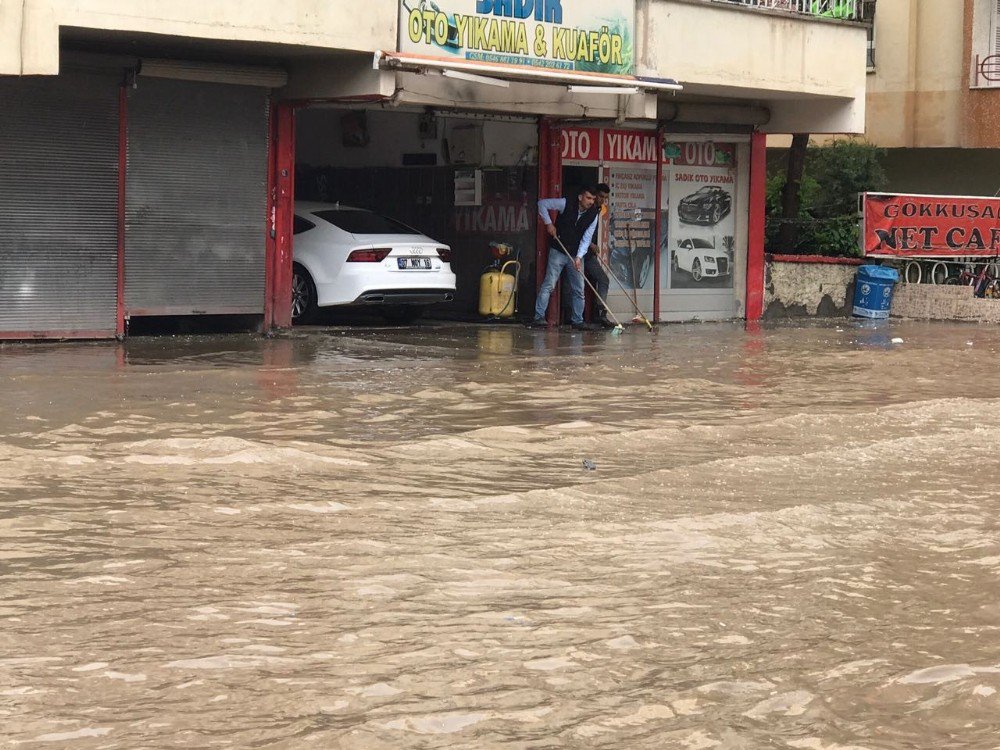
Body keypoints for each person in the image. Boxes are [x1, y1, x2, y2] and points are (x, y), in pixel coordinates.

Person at [528, 186, 601, 330]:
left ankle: (577, 320)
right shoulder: (565, 203)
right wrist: (549, 223)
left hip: (575, 254)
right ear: (580, 197)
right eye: (588, 198)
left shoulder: (593, 215)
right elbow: (542, 204)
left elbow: (586, 239)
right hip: (558, 250)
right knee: (549, 284)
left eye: (593, 199)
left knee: (579, 289)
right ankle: (538, 317)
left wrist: (579, 257)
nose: (591, 202)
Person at [585, 183, 614, 329]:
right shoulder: (587, 209)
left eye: (605, 198)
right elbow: (580, 230)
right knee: (575, 285)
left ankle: (600, 314)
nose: (602, 200)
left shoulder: (597, 210)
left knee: (603, 280)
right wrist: (590, 244)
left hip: (589, 254)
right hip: (579, 253)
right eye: (601, 197)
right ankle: (572, 318)